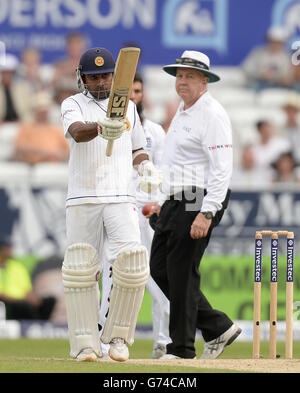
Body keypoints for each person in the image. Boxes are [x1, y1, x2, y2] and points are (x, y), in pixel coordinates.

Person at [60, 47, 162, 362]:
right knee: (82, 270)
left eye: (106, 75)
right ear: (83, 78)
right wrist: (101, 127)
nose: (101, 82)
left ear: (114, 75)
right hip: (83, 196)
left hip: (120, 196)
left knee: (132, 263)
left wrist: (146, 167)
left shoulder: (129, 107)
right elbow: (76, 133)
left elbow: (138, 149)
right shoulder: (72, 104)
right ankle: (85, 345)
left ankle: (117, 338)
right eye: (94, 77)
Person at [149, 50, 241, 360]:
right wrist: (164, 199)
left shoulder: (211, 113)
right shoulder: (184, 110)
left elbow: (221, 168)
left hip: (199, 200)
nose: (182, 81)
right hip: (177, 200)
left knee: (181, 274)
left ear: (205, 80)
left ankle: (182, 350)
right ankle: (217, 326)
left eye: (190, 76)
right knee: (160, 269)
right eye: (180, 75)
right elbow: (175, 163)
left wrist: (208, 211)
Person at [100, 72, 171, 359]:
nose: (133, 96)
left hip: (147, 213)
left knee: (158, 278)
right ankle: (104, 339)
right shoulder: (109, 126)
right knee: (112, 274)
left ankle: (162, 342)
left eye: (138, 91)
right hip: (118, 207)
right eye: (128, 91)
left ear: (143, 95)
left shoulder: (154, 131)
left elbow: (164, 171)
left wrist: (160, 203)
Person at [0, 237, 56, 320]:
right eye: (7, 248)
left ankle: (40, 325)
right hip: (8, 302)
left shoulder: (17, 267)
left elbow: (27, 289)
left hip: (22, 302)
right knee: (21, 305)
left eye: (10, 247)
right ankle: (35, 325)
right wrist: (19, 299)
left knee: (49, 301)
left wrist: (35, 299)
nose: (10, 250)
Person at [14, 91, 69, 165]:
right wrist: (45, 153)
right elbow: (19, 148)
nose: (43, 113)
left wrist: (56, 154)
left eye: (45, 111)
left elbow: (67, 152)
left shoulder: (56, 129)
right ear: (34, 111)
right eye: (40, 110)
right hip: (31, 166)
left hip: (53, 166)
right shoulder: (26, 128)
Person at [242, 26, 293, 91]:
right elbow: (246, 69)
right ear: (268, 41)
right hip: (259, 84)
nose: (275, 44)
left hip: (279, 86)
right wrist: (260, 74)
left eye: (279, 42)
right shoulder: (258, 53)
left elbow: (289, 75)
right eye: (273, 41)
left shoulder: (286, 56)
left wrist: (280, 78)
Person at [0, 53, 32, 123]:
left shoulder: (23, 88)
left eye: (9, 73)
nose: (6, 75)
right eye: (4, 73)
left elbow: (28, 109)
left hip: (20, 125)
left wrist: (23, 121)